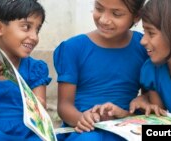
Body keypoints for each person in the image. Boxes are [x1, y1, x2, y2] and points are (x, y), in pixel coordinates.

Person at [53, 0, 150, 140]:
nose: (104, 20)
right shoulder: (73, 48)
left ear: (137, 16)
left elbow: (147, 100)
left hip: (126, 127)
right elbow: (64, 105)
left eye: (116, 14)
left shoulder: (143, 46)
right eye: (99, 8)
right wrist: (82, 119)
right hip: (84, 130)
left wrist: (142, 100)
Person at [0, 0, 51, 140]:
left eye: (37, 29)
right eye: (26, 27)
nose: (34, 37)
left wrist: (38, 107)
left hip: (26, 134)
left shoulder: (35, 69)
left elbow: (41, 119)